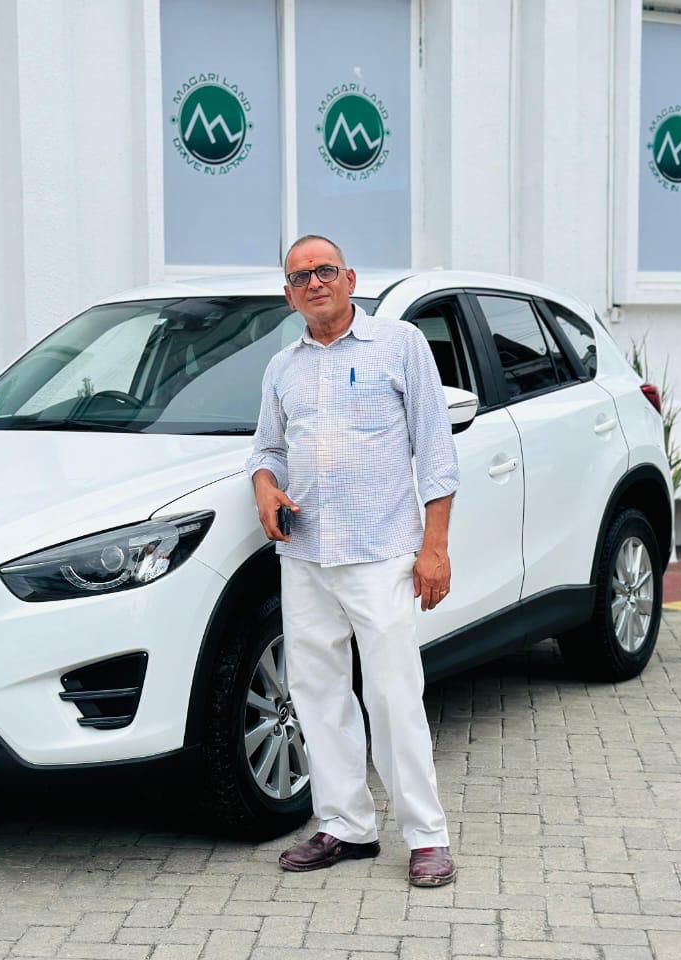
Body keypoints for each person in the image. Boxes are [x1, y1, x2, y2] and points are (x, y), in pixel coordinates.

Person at [245, 234, 460, 887]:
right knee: (316, 693)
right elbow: (267, 450)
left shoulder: (400, 346)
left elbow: (437, 453)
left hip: (382, 554)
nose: (314, 282)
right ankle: (345, 825)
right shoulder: (282, 366)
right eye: (300, 276)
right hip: (305, 554)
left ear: (350, 278)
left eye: (324, 270)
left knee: (394, 695)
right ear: (288, 295)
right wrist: (264, 488)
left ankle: (426, 836)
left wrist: (435, 547)